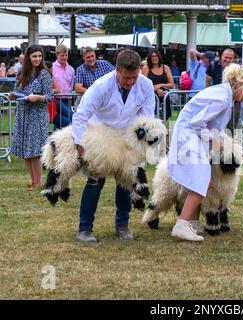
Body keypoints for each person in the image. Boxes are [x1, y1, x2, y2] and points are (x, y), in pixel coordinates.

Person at [168, 63, 243, 241]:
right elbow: (197, 123)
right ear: (240, 86)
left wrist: (223, 139)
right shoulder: (222, 99)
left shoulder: (224, 95)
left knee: (199, 181)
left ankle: (191, 223)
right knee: (202, 180)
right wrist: (214, 140)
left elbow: (210, 125)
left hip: (192, 136)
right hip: (189, 137)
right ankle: (181, 224)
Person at [72, 50, 155, 243]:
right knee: (95, 181)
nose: (130, 82)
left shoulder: (146, 85)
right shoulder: (101, 86)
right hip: (100, 134)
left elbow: (147, 118)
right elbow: (81, 114)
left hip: (127, 136)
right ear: (117, 70)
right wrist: (79, 143)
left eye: (134, 77)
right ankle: (85, 228)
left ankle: (122, 225)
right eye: (127, 78)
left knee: (126, 180)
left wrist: (139, 143)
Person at [8, 45, 54, 189]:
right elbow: (17, 91)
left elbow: (50, 96)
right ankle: (33, 181)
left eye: (39, 56)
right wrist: (12, 95)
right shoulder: (22, 72)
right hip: (23, 114)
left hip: (38, 115)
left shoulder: (45, 74)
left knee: (35, 150)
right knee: (24, 150)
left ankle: (37, 182)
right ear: (28, 57)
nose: (37, 59)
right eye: (34, 56)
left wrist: (37, 97)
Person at [141, 49, 174, 120]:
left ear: (159, 57)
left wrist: (161, 85)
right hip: (151, 96)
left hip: (165, 96)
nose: (154, 58)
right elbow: (143, 85)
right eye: (152, 56)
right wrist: (156, 89)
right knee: (152, 116)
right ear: (149, 58)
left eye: (156, 56)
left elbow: (171, 84)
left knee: (166, 115)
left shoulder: (166, 68)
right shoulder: (146, 68)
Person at [52, 44, 75, 128]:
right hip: (56, 99)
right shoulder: (52, 68)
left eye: (66, 55)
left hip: (67, 99)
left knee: (59, 124)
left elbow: (71, 84)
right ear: (57, 55)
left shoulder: (71, 69)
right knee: (71, 119)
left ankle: (55, 140)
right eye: (62, 55)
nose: (64, 57)